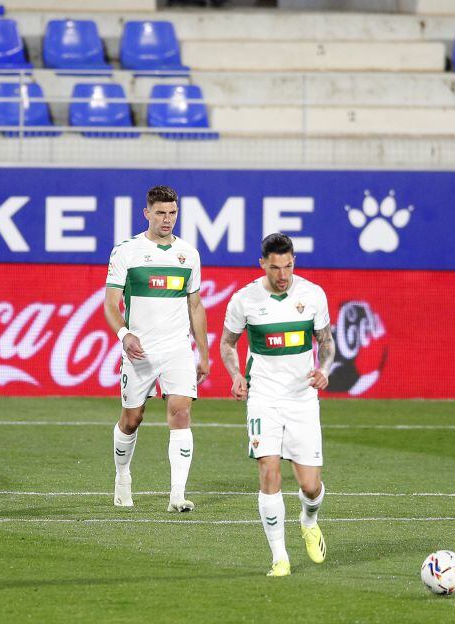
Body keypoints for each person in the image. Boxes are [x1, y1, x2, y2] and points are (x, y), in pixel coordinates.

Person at [220, 232, 335, 577]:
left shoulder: (313, 295)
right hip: (263, 398)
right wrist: (236, 374)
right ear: (262, 265)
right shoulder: (245, 300)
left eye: (287, 266)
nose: (282, 275)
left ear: (293, 262)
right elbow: (227, 344)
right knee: (269, 471)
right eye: (275, 268)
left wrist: (325, 369)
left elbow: (326, 342)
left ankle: (309, 520)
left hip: (302, 398)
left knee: (309, 486)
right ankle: (279, 558)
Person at [103, 185, 210, 512]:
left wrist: (203, 353)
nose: (167, 219)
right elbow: (110, 303)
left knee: (181, 410)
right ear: (147, 213)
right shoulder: (126, 252)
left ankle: (177, 494)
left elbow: (195, 306)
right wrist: (124, 334)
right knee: (131, 419)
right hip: (139, 351)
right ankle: (122, 476)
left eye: (172, 213)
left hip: (177, 348)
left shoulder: (189, 255)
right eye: (161, 212)